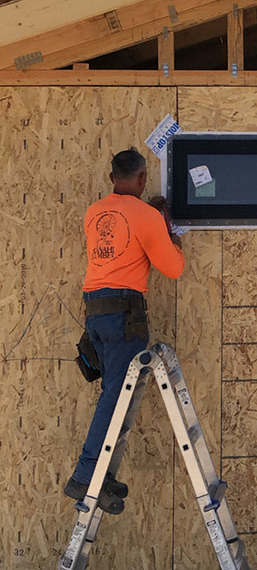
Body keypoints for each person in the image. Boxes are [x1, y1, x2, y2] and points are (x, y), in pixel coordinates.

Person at [64, 147, 185, 514]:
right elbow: (174, 268)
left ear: (112, 178)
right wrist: (167, 232)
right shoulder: (147, 217)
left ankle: (100, 473)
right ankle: (85, 476)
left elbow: (118, 244)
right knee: (115, 397)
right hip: (123, 315)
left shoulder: (93, 213)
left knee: (113, 393)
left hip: (96, 313)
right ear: (143, 178)